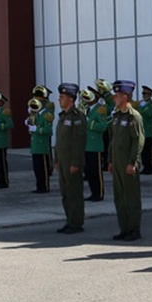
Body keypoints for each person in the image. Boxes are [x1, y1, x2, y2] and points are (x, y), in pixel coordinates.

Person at [108, 80, 145, 241]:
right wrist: (110, 160)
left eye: (116, 95)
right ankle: (124, 228)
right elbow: (113, 140)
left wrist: (133, 162)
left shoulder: (134, 117)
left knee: (131, 198)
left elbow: (138, 141)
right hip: (117, 162)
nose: (114, 99)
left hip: (127, 163)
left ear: (124, 97)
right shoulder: (116, 116)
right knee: (120, 197)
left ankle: (134, 229)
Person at [53, 83, 87, 233]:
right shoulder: (62, 117)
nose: (59, 99)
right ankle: (69, 220)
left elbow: (78, 142)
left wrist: (76, 163)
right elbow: (59, 141)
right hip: (63, 161)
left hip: (72, 161)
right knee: (65, 194)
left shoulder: (77, 117)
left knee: (74, 193)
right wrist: (56, 160)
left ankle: (76, 223)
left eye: (62, 96)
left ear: (71, 99)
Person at [83, 88, 108, 201]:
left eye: (89, 97)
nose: (87, 100)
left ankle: (99, 193)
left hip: (95, 144)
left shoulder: (100, 110)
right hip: (86, 144)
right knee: (89, 171)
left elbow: (103, 126)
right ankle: (93, 192)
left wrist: (90, 123)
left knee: (96, 171)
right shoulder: (87, 110)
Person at [28, 90, 54, 193]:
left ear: (43, 103)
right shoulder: (37, 114)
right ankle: (39, 186)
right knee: (37, 168)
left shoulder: (46, 115)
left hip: (42, 144)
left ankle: (44, 186)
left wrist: (36, 129)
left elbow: (48, 130)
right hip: (35, 145)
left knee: (43, 168)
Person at [137, 85, 152, 175]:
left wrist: (140, 108)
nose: (144, 95)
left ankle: (149, 168)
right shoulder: (140, 104)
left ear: (150, 95)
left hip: (149, 131)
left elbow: (150, 114)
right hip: (141, 131)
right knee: (142, 151)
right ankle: (145, 166)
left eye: (146, 94)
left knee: (148, 152)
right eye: (143, 93)